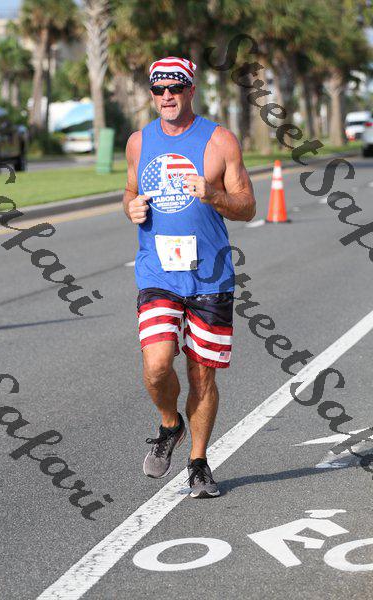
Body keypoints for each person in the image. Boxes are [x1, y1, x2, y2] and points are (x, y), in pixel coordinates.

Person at [123, 56, 256, 498]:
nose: (166, 96)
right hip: (157, 272)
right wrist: (130, 206)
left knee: (202, 377)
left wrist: (214, 194)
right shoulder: (139, 142)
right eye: (158, 89)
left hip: (210, 277)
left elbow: (247, 206)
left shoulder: (219, 141)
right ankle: (170, 424)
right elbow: (130, 189)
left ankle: (198, 463)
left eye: (175, 87)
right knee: (157, 365)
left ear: (190, 90)